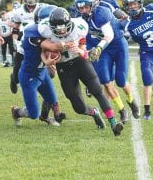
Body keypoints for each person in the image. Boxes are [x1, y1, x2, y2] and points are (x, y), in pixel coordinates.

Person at [38, 7, 124, 136]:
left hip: (80, 62)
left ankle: (113, 122)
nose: (61, 31)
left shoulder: (79, 26)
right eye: (57, 28)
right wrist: (47, 61)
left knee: (97, 90)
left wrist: (80, 51)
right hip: (64, 67)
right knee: (78, 107)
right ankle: (94, 112)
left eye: (63, 27)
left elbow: (85, 52)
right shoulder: (44, 29)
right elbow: (42, 50)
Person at [74, 0, 139, 124]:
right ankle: (122, 110)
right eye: (80, 8)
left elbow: (109, 35)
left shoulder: (102, 11)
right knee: (105, 80)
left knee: (120, 80)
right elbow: (81, 37)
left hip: (117, 44)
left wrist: (98, 47)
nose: (84, 10)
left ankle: (131, 101)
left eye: (86, 7)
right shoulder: (79, 17)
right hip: (103, 50)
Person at [11, 5, 66, 127]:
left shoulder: (53, 33)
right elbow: (50, 48)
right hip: (29, 75)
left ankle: (46, 117)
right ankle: (17, 112)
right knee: (33, 113)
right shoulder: (32, 32)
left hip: (43, 73)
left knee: (52, 100)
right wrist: (69, 43)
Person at [9, 0, 44, 94]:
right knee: (17, 78)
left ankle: (41, 95)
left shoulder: (42, 8)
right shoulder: (18, 11)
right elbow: (15, 29)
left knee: (40, 72)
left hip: (39, 45)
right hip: (23, 45)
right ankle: (13, 78)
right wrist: (15, 41)